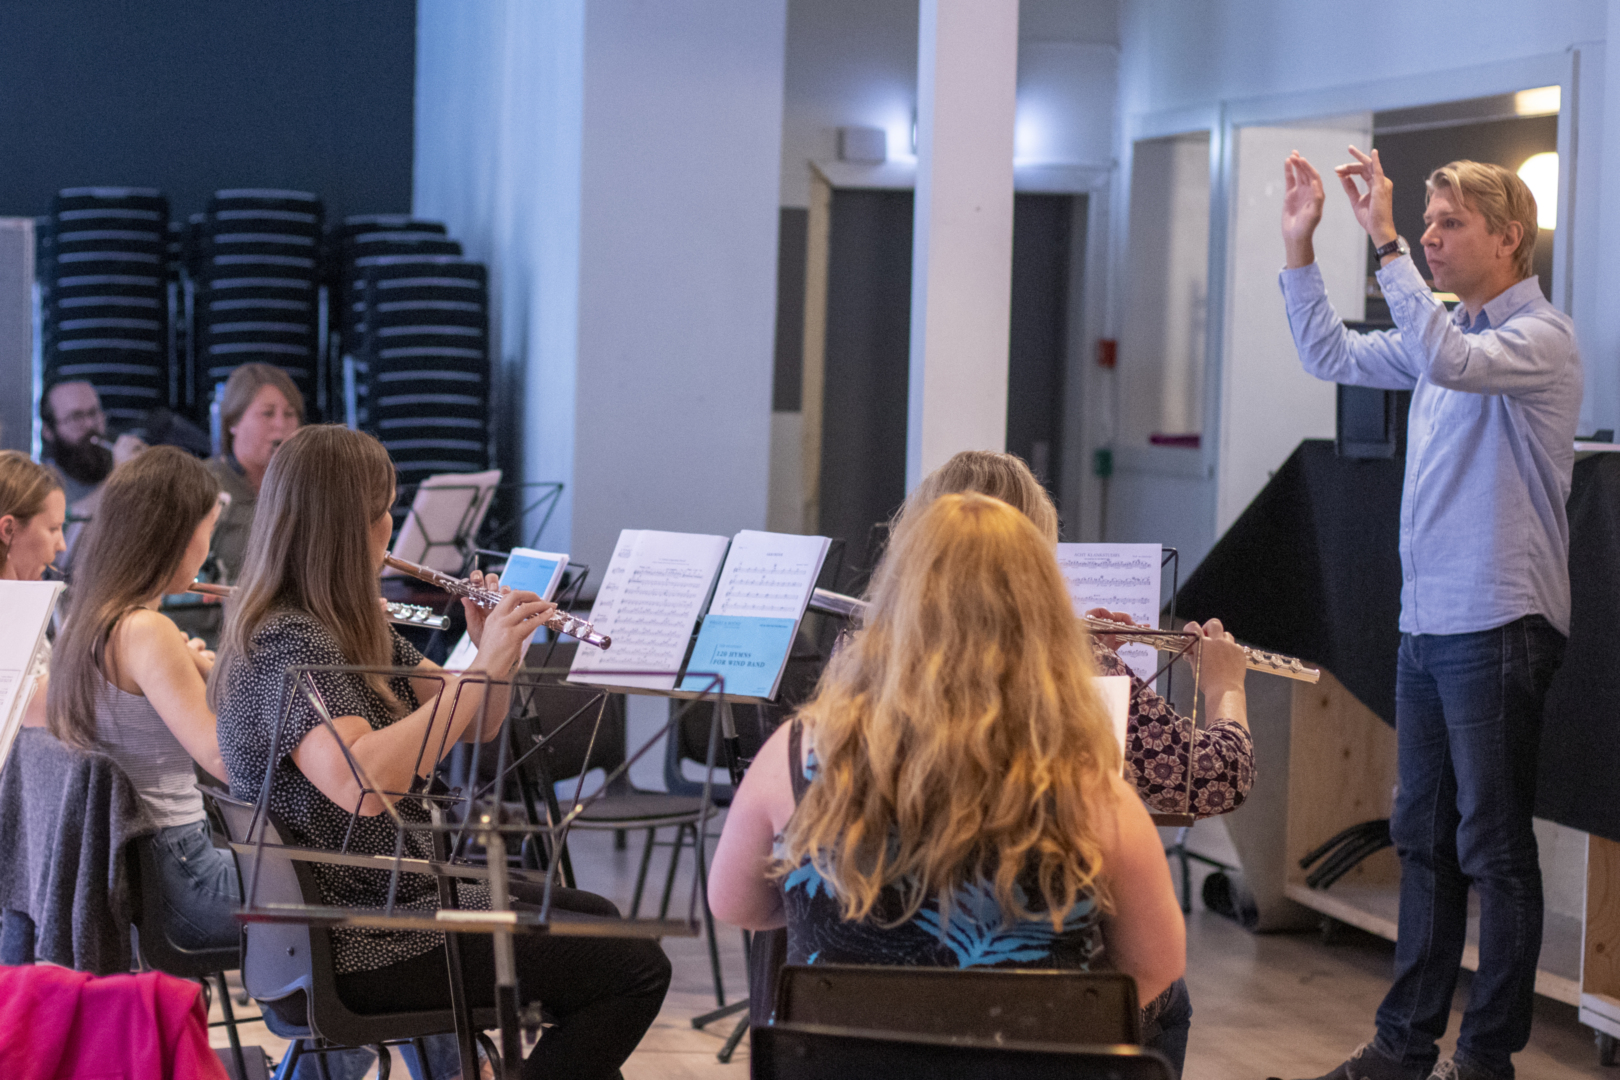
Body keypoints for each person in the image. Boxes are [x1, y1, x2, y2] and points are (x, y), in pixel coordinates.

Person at [211, 426, 671, 1080]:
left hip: (393, 898)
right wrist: (482, 668)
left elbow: (476, 722)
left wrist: (493, 653)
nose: (391, 529)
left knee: (600, 922)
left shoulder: (349, 623)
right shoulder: (287, 642)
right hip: (360, 936)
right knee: (634, 969)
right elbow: (363, 784)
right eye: (382, 513)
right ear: (352, 528)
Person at [1277, 148, 1580, 1080]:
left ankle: (1485, 1060)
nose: (1436, 240)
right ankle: (1403, 1047)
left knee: (1491, 844)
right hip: (1430, 624)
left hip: (1499, 621)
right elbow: (1327, 352)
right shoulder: (1443, 326)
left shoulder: (1542, 339)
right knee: (1423, 840)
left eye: (1453, 225)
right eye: (1430, 223)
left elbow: (1450, 358)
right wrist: (1299, 245)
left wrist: (1387, 239)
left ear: (1509, 239)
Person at [709, 493, 1187, 1055]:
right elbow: (1156, 962)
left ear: (895, 605)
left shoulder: (800, 751)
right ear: (1043, 616)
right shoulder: (1089, 782)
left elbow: (734, 903)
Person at [205, 363, 304, 582]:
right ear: (233, 421)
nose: (280, 426)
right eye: (267, 414)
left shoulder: (307, 488)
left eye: (289, 414)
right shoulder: (203, 485)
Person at [38, 379, 144, 510]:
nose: (90, 425)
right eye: (75, 417)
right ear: (48, 431)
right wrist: (121, 479)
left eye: (94, 413)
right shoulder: (39, 488)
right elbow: (71, 524)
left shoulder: (116, 464)